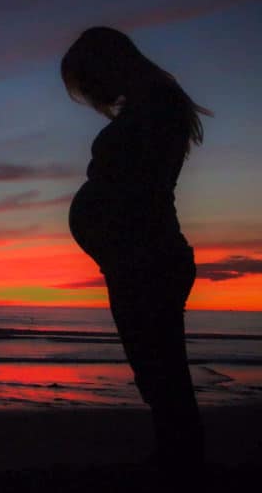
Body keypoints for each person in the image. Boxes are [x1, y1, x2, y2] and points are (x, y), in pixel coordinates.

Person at [62, 26, 212, 477]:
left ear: (108, 63)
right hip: (134, 257)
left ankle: (182, 467)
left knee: (161, 371)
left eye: (87, 81)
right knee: (156, 371)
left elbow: (142, 187)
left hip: (146, 256)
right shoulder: (148, 108)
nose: (90, 93)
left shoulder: (157, 108)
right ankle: (177, 461)